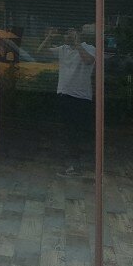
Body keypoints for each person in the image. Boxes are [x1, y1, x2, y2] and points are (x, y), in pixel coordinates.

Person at [38, 27, 96, 177]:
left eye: (71, 32)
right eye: (66, 33)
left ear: (79, 34)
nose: (67, 36)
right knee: (67, 131)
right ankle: (72, 164)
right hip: (64, 95)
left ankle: (77, 166)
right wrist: (49, 37)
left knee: (77, 132)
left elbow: (89, 61)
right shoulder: (63, 49)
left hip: (81, 98)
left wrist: (77, 44)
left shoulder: (89, 48)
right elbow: (40, 53)